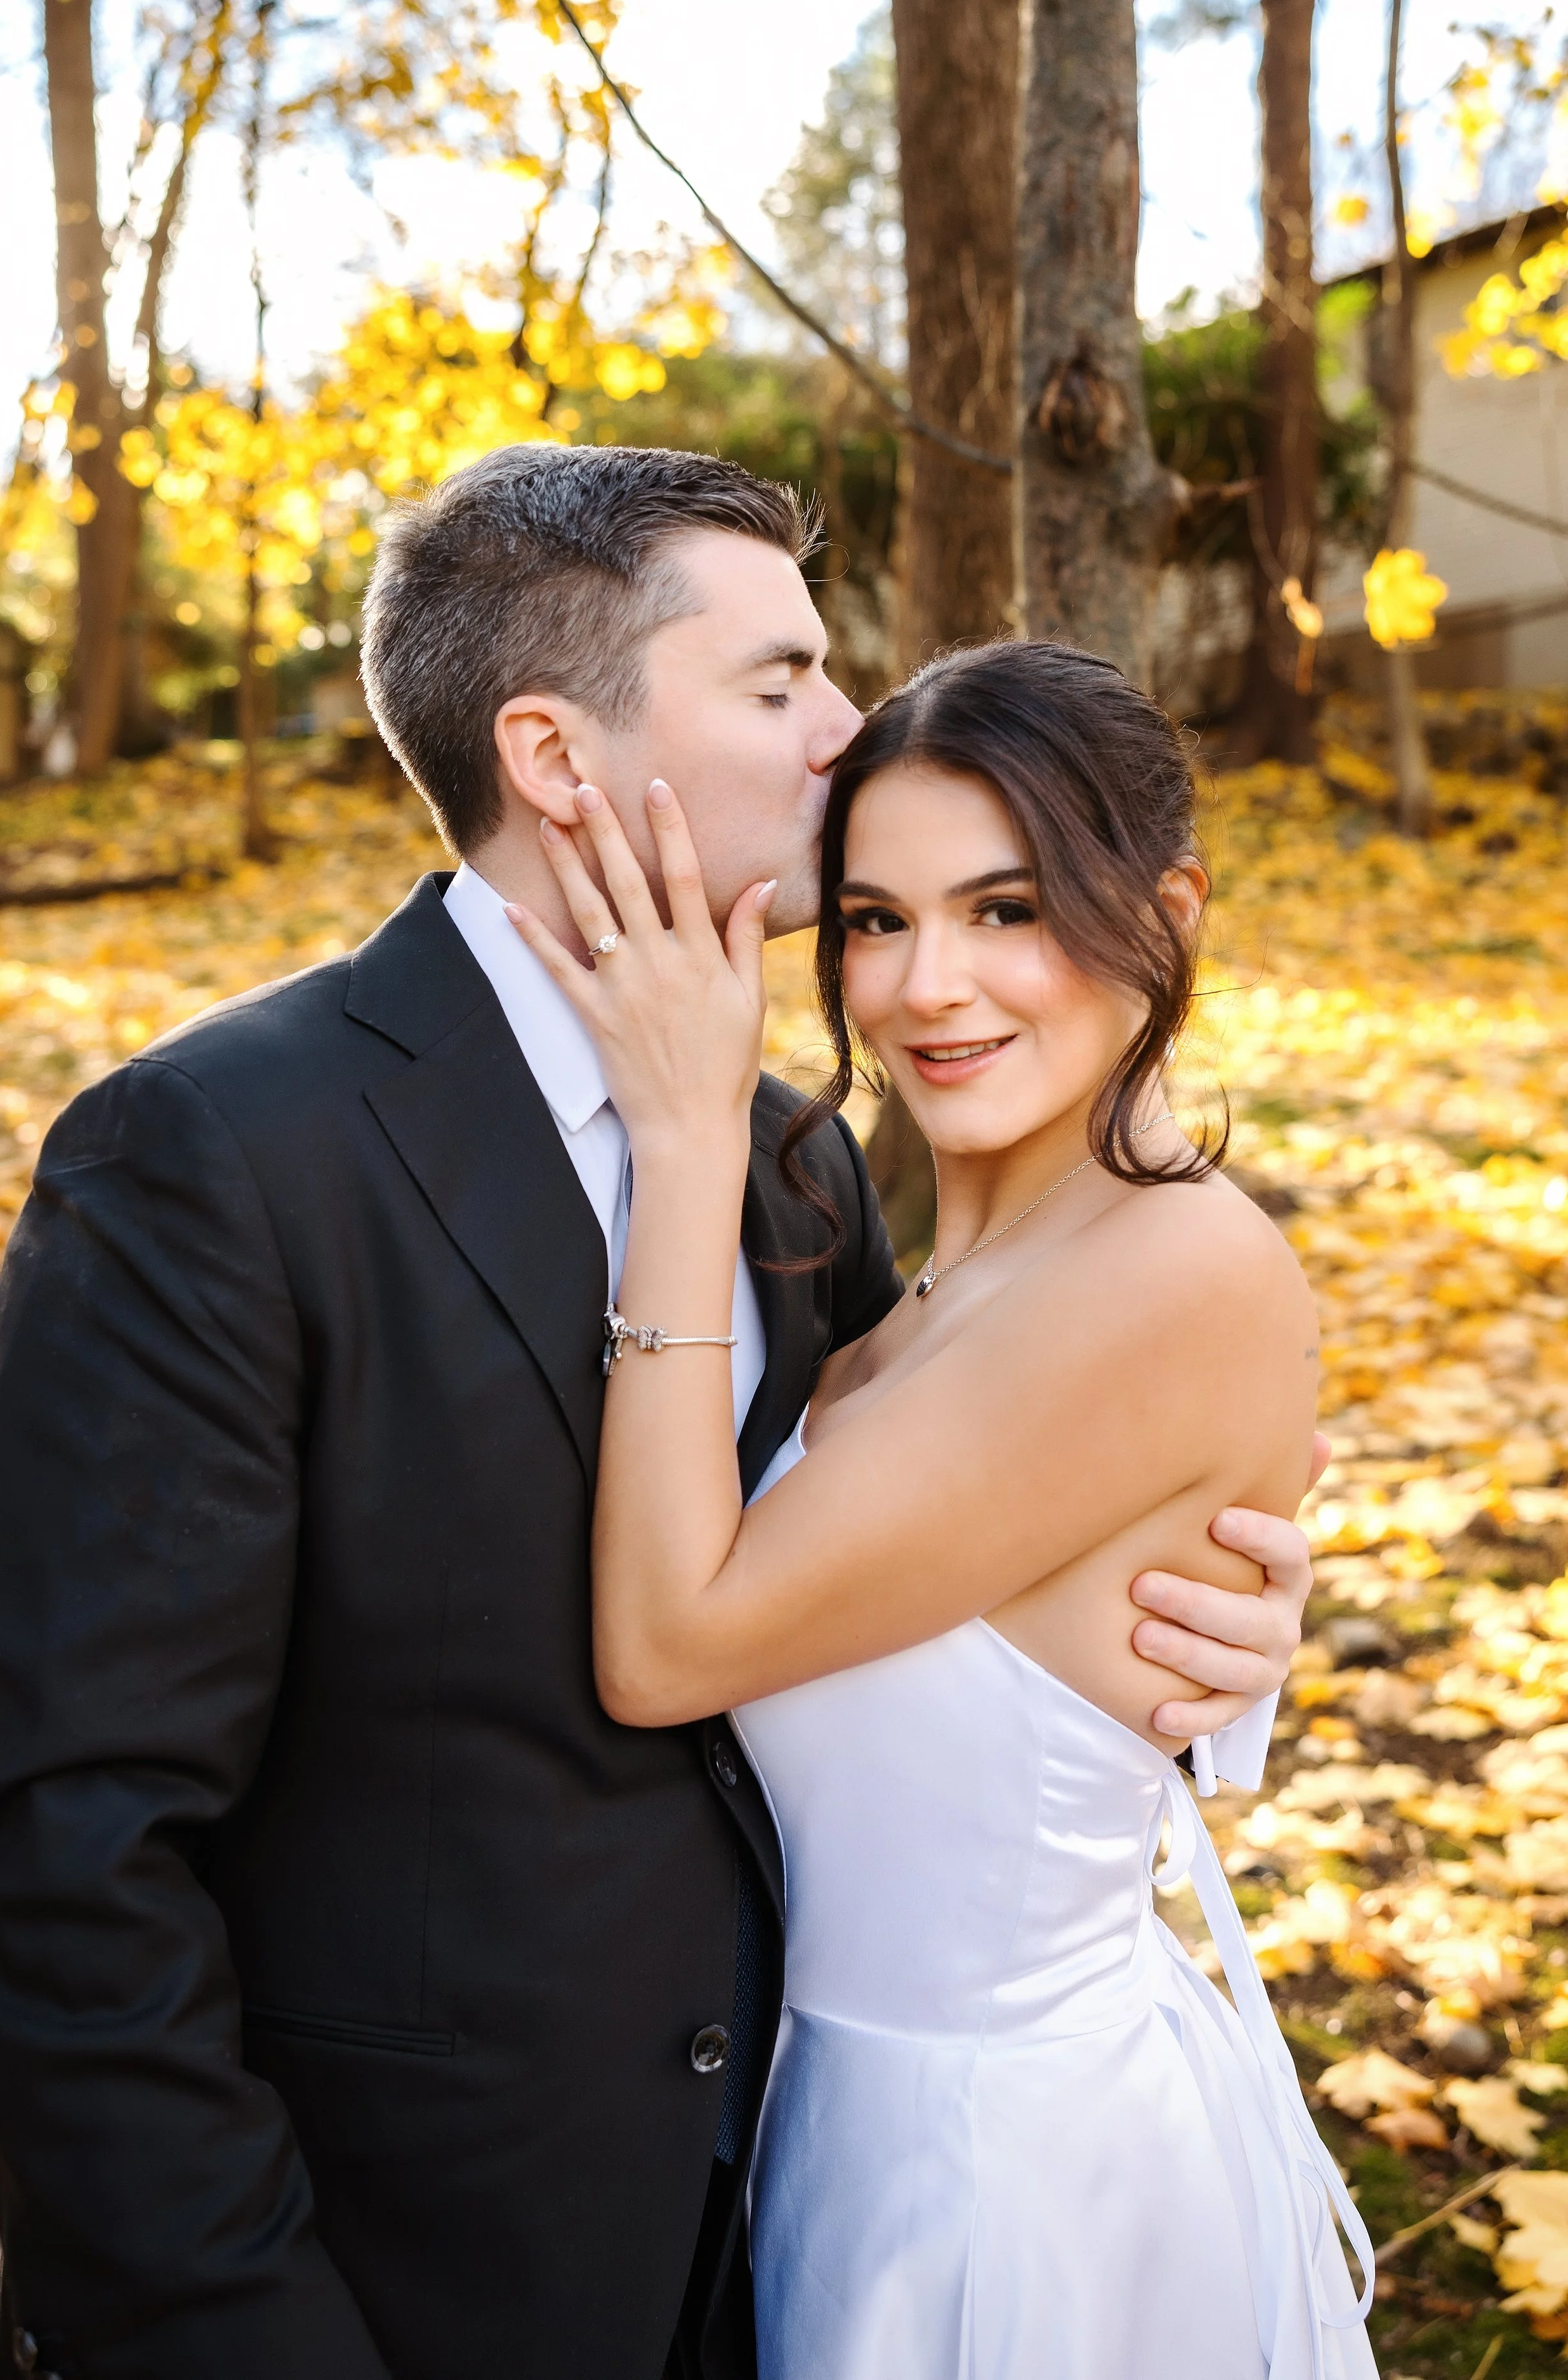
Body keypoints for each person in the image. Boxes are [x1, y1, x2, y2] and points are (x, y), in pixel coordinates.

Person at [0, 450, 1313, 2380]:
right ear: (555, 757)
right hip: (384, 2286)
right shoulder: (215, 1156)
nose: (847, 725)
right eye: (780, 681)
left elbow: (913, 1577)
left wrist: (1191, 1624)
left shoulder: (790, 1161)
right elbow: (62, 1853)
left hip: (777, 2249)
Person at [511, 636, 1376, 2379]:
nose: (927, 986)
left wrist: (686, 1141)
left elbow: (673, 1644)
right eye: (875, 920)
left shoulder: (1176, 1267)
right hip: (838, 2124)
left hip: (1000, 2179)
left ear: (1168, 916)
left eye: (1006, 909)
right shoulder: (922, 1270)